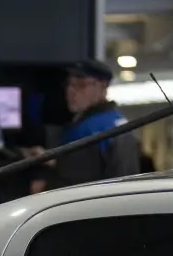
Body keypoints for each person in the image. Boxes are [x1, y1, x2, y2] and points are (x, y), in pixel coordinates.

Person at [31, 59, 141, 192]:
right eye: (69, 84)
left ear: (102, 87)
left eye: (81, 85)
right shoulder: (116, 121)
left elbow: (73, 183)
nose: (71, 91)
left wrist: (42, 188)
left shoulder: (89, 131)